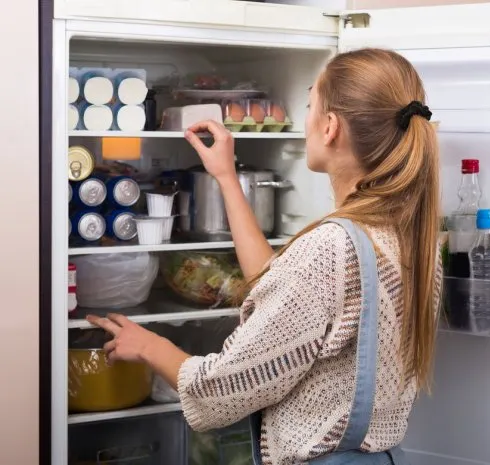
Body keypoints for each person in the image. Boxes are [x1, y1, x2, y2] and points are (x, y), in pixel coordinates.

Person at [87, 48, 442, 465]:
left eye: (311, 106)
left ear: (329, 127)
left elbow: (221, 393)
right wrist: (225, 176)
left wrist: (149, 345)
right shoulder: (408, 238)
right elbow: (279, 287)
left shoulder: (329, 248)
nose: (306, 119)